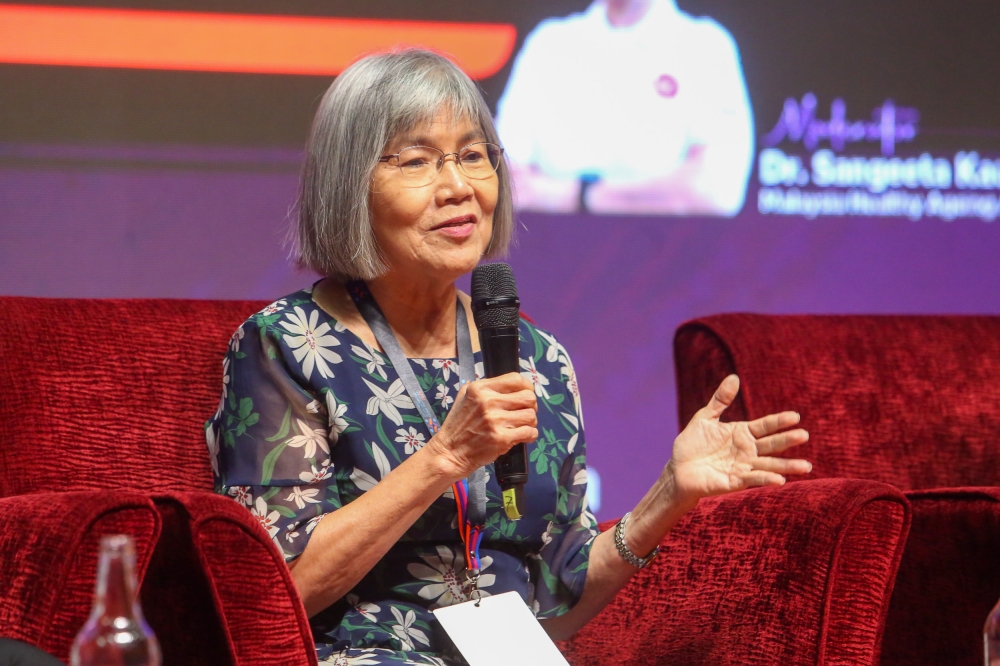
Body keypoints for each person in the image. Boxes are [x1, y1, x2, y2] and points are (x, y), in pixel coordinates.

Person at [206, 49, 809, 665]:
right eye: (417, 160)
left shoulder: (537, 357)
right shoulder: (286, 344)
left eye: (473, 156)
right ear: (348, 186)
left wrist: (668, 495)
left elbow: (557, 599)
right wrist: (445, 457)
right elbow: (278, 589)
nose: (459, 187)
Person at [496, 0, 754, 216]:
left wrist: (580, 195)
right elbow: (503, 181)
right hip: (553, 252)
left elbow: (716, 190)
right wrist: (651, 194)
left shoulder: (705, 46)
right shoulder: (548, 45)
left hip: (669, 255)